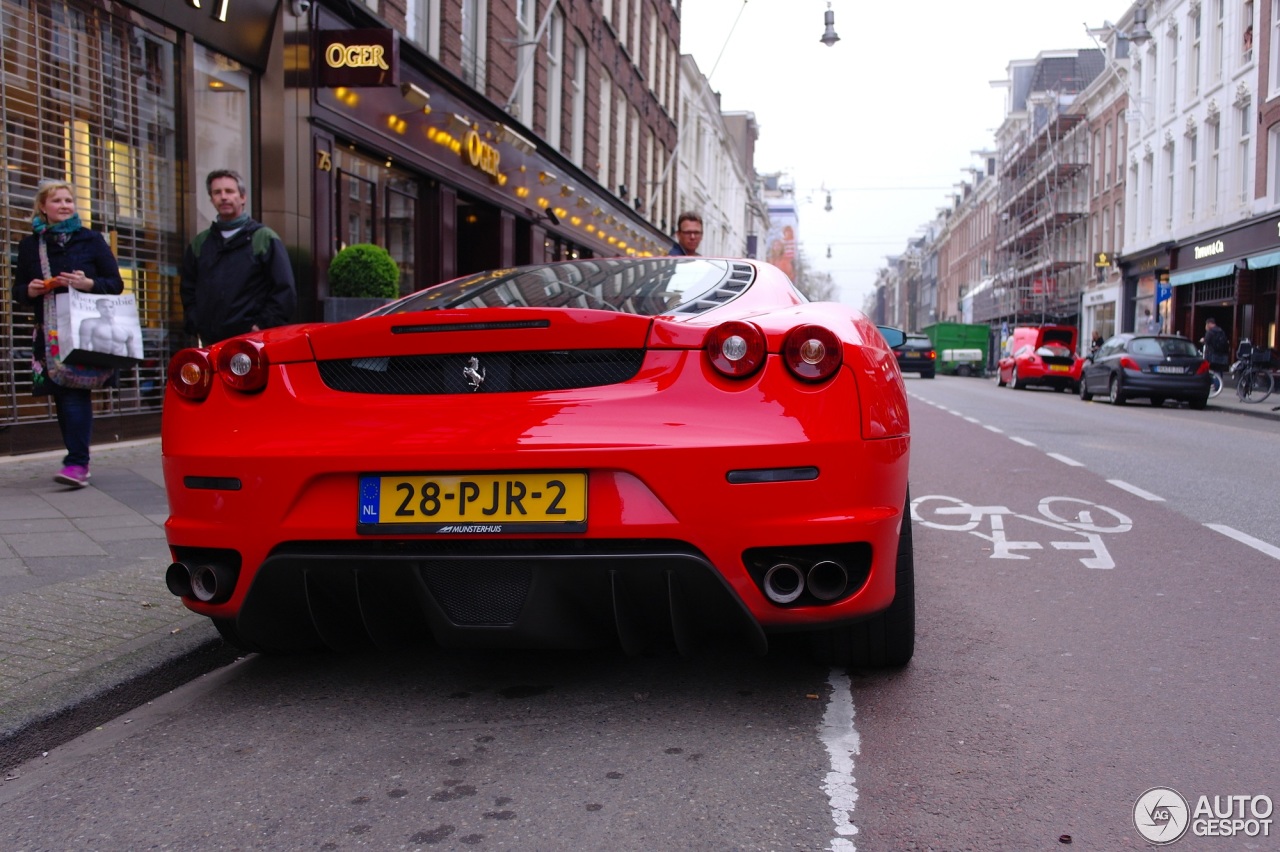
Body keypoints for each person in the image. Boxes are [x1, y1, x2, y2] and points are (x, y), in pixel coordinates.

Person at [12, 179, 124, 488]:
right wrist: (31, 290)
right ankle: (77, 459)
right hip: (49, 332)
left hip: (84, 329)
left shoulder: (91, 240)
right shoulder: (29, 245)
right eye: (57, 201)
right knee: (62, 394)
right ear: (43, 208)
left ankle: (77, 463)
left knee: (75, 392)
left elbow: (115, 284)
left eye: (68, 200)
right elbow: (18, 291)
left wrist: (88, 284)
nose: (64, 205)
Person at [180, 169, 296, 345]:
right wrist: (196, 322)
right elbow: (188, 289)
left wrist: (262, 326)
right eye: (217, 192)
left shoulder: (263, 238)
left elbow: (284, 289)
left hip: (252, 342)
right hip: (211, 342)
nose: (224, 197)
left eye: (229, 191)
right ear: (211, 200)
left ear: (243, 197)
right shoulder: (200, 243)